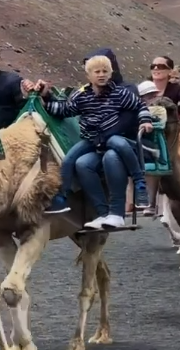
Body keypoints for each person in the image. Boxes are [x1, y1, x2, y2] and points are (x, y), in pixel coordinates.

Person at [38, 55, 155, 227]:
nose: (101, 75)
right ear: (88, 75)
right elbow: (65, 109)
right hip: (92, 140)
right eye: (97, 71)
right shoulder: (82, 95)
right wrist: (46, 97)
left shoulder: (120, 93)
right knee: (74, 161)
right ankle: (72, 201)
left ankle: (140, 183)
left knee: (119, 144)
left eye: (105, 71)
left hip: (113, 136)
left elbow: (139, 106)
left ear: (111, 73)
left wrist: (145, 120)